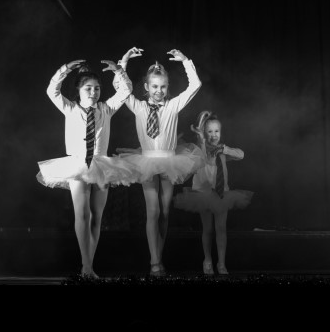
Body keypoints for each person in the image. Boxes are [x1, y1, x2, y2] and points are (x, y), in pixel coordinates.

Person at [37, 57, 135, 278]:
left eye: (97, 88)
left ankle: (89, 264)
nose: (93, 92)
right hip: (78, 165)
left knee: (96, 217)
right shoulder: (70, 108)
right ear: (79, 90)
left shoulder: (106, 109)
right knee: (82, 214)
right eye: (88, 88)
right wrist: (64, 69)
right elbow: (52, 90)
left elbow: (126, 90)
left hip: (101, 164)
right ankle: (86, 265)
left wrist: (118, 71)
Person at [114, 47, 204, 277]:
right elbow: (121, 89)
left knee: (164, 213)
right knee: (152, 211)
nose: (159, 91)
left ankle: (159, 257)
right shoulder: (138, 106)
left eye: (163, 87)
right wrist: (123, 62)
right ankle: (154, 262)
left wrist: (185, 60)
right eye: (154, 86)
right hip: (146, 161)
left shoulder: (173, 106)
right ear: (146, 87)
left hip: (170, 161)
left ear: (167, 87)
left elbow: (195, 85)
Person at [173, 111, 253, 275]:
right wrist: (201, 140)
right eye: (209, 131)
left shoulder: (222, 151)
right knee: (208, 229)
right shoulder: (200, 151)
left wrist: (224, 148)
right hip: (203, 195)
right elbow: (203, 158)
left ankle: (221, 263)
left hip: (222, 194)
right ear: (203, 133)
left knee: (221, 228)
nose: (213, 135)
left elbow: (241, 155)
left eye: (216, 131)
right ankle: (207, 259)